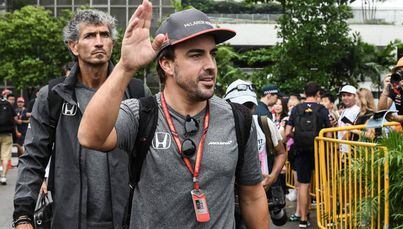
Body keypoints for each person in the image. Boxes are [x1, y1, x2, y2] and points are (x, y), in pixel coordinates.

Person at [78, 2, 269, 228]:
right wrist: (125, 68)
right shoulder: (141, 114)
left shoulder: (238, 119)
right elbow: (90, 137)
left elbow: (252, 195)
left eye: (212, 54)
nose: (210, 65)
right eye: (196, 55)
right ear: (167, 64)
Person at [13, 9, 149, 229]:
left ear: (113, 44)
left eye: (104, 35)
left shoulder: (136, 92)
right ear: (73, 46)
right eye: (90, 36)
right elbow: (33, 158)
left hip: (127, 218)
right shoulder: (54, 95)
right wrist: (22, 215)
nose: (99, 42)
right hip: (68, 218)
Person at [224, 79, 287, 227]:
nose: (244, 110)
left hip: (259, 193)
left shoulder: (263, 123)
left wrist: (272, 177)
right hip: (229, 199)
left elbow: (281, 153)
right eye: (238, 105)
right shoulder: (218, 128)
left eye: (249, 105)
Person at [285, 82, 330, 228]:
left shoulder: (296, 109)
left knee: (303, 186)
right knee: (323, 183)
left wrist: (296, 135)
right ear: (318, 94)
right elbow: (328, 133)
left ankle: (303, 220)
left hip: (301, 151)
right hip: (318, 151)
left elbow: (287, 133)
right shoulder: (322, 109)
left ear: (304, 93)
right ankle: (327, 218)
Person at [378, 56, 403, 130]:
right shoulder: (396, 90)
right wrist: (386, 89)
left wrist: (399, 118)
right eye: (400, 72)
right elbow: (382, 110)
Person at [0, 95, 18, 185]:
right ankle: (3, 176)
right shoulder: (8, 104)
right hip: (7, 134)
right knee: (6, 155)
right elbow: (15, 118)